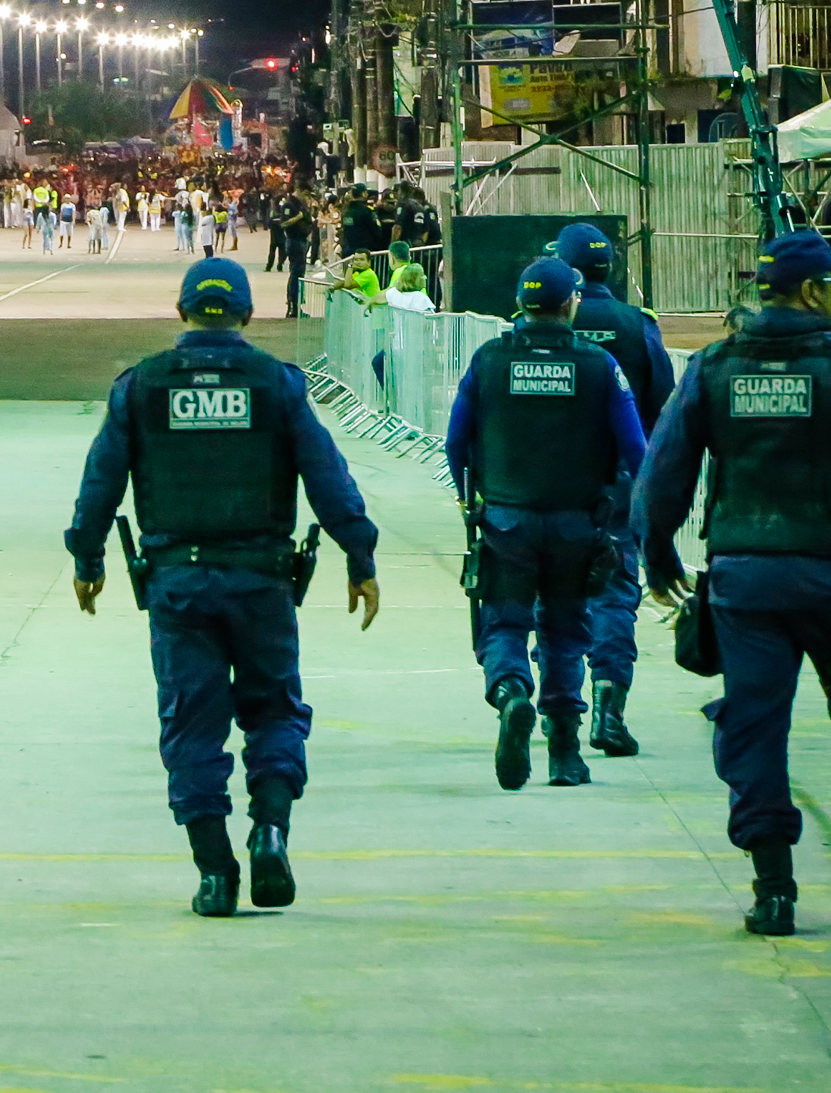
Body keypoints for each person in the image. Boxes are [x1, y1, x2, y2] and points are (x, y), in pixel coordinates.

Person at [634, 230, 831, 937]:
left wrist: (655, 550)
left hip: (745, 581)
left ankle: (773, 889)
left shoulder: (715, 364)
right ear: (813, 292)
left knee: (754, 723)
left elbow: (664, 468)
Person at [65, 258, 382, 918]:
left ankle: (214, 873)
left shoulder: (142, 385)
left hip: (179, 582)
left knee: (192, 726)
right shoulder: (276, 383)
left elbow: (102, 481)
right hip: (262, 580)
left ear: (183, 312)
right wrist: (360, 551)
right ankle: (270, 830)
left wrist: (88, 556)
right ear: (245, 314)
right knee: (274, 710)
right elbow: (327, 474)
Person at [447, 258, 646, 791]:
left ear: (521, 303)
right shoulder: (599, 365)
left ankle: (512, 693)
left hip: (507, 520)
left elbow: (455, 441)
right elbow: (636, 449)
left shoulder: (488, 359)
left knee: (505, 624)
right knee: (565, 632)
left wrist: (472, 505)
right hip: (578, 524)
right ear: (570, 303)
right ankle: (565, 752)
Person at [547, 223, 675, 757]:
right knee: (616, 593)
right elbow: (665, 401)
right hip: (622, 481)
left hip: (552, 482)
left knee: (553, 596)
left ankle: (559, 709)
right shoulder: (637, 325)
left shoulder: (543, 323)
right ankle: (609, 707)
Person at [277, 184, 313, 317]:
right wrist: (298, 218)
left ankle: (298, 306)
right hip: (294, 241)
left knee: (300, 274)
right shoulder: (289, 205)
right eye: (305, 194)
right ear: (299, 190)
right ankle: (293, 306)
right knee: (295, 275)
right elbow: (283, 223)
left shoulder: (300, 205)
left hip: (302, 241)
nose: (306, 197)